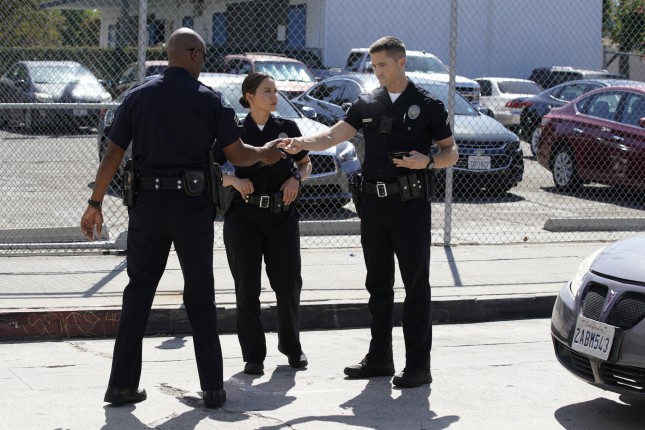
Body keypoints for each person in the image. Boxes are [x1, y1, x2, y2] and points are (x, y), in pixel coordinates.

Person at [80, 28, 284, 408]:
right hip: (191, 208)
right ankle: (213, 388)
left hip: (147, 207)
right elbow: (238, 154)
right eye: (202, 56)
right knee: (200, 292)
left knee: (139, 291)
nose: (202, 63)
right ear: (191, 54)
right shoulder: (208, 99)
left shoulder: (137, 97)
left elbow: (112, 155)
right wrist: (265, 153)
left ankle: (121, 386)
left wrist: (95, 203)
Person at [279, 36, 458, 388]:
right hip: (374, 205)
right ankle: (379, 359)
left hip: (409, 206)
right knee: (377, 284)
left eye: (383, 65)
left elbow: (450, 151)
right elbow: (333, 136)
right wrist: (301, 143)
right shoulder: (368, 102)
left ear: (401, 62)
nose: (377, 72)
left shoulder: (427, 104)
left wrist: (427, 161)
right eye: (374, 66)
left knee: (415, 285)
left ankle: (418, 366)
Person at [223, 72, 312, 375]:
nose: (275, 97)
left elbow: (305, 163)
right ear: (250, 97)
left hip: (281, 216)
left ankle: (292, 347)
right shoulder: (235, 132)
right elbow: (210, 167)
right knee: (247, 288)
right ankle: (253, 355)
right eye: (267, 91)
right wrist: (233, 180)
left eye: (275, 91)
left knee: (288, 284)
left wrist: (296, 178)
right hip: (243, 218)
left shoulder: (287, 129)